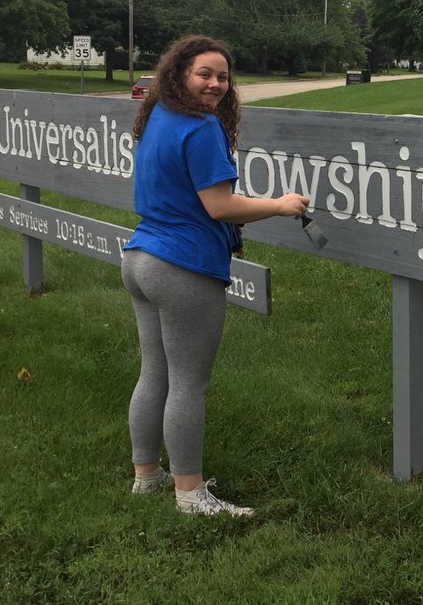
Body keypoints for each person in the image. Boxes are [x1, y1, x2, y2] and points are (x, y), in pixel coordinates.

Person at [122, 36, 308, 516]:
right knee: (188, 383)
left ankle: (147, 477)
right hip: (182, 267)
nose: (215, 84)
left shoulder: (159, 114)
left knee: (155, 372)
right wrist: (281, 205)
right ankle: (191, 494)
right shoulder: (201, 128)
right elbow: (220, 205)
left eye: (223, 76)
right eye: (204, 73)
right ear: (180, 73)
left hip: (141, 257)